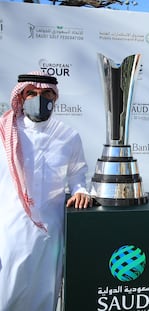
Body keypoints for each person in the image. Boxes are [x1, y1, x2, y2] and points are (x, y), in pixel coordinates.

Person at [0, 72, 91, 311]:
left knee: (43, 296)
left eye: (46, 94)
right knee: (6, 294)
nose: (39, 98)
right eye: (32, 93)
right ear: (22, 95)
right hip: (9, 232)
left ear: (55, 98)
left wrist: (81, 191)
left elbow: (77, 175)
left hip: (50, 233)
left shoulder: (68, 136)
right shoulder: (5, 133)